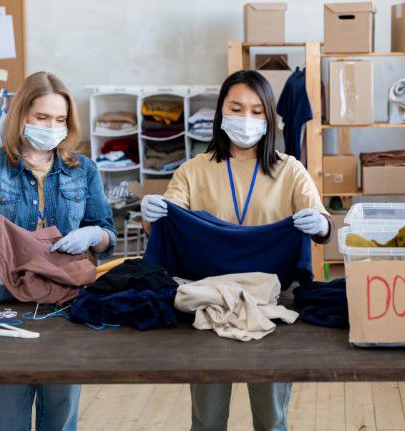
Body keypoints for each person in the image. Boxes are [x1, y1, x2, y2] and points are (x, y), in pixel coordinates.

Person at [141, 70, 333, 431]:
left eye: (257, 110)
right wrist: (150, 216)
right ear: (220, 111)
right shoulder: (192, 170)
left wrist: (321, 225)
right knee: (208, 417)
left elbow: (323, 225)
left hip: (270, 305)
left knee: (272, 416)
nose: (246, 118)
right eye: (236, 107)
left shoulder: (290, 170)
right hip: (208, 303)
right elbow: (165, 224)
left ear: (270, 117)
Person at [0, 71, 117, 431]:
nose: (52, 126)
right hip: (6, 306)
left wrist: (93, 234)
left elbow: (108, 234)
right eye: (42, 117)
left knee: (61, 415)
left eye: (60, 119)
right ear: (22, 117)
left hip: (65, 304)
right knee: (7, 418)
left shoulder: (84, 171)